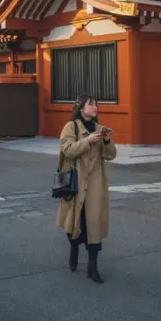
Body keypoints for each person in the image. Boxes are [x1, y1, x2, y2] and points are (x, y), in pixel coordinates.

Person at [56, 94, 117, 283]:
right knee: (73, 223)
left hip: (95, 184)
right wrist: (88, 141)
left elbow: (111, 155)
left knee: (94, 225)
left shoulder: (100, 129)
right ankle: (74, 249)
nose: (95, 107)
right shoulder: (71, 127)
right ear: (81, 108)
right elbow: (67, 150)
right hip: (76, 183)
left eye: (96, 104)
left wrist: (106, 140)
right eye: (91, 104)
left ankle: (93, 266)